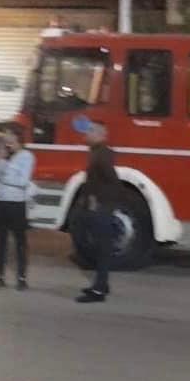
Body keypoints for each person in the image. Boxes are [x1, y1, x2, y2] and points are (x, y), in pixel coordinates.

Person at [75, 119, 119, 304]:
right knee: (99, 246)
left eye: (91, 130)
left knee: (101, 249)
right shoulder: (97, 152)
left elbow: (113, 181)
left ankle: (99, 291)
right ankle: (102, 284)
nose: (87, 133)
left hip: (101, 208)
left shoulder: (102, 155)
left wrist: (98, 201)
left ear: (100, 135)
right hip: (99, 207)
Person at [0, 139, 36, 291]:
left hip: (16, 202)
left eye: (11, 142)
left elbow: (23, 181)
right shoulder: (1, 157)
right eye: (6, 142)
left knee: (20, 241)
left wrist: (3, 174)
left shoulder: (26, 156)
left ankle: (22, 278)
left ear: (19, 142)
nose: (8, 145)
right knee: (1, 240)